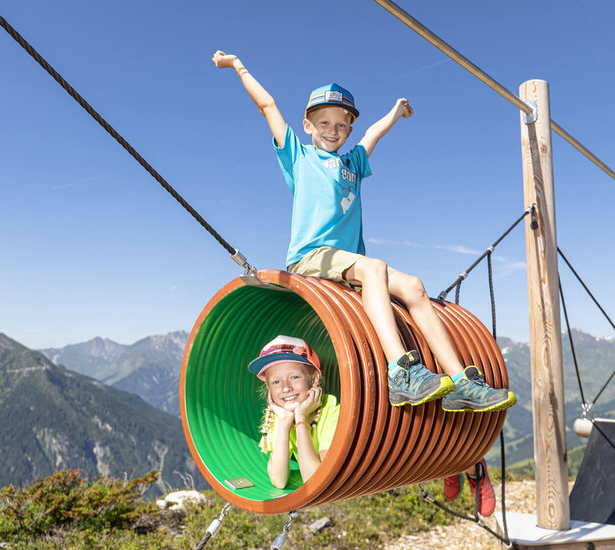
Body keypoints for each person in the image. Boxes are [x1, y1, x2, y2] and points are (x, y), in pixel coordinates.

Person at [214, 50, 516, 414]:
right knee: (374, 267)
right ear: (307, 126)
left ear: (348, 130)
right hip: (310, 258)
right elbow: (268, 105)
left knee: (414, 286)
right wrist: (237, 66)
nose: (332, 130)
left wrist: (397, 112)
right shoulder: (299, 156)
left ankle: (462, 382)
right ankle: (401, 372)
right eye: (323, 123)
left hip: (348, 264)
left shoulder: (353, 163)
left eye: (341, 125)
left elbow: (374, 133)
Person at [249, 335, 339, 489]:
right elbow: (279, 480)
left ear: (314, 379)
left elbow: (315, 481)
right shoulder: (280, 416)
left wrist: (301, 418)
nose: (286, 388)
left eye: (294, 377)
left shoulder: (332, 412)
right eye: (276, 382)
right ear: (269, 389)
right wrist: (284, 423)